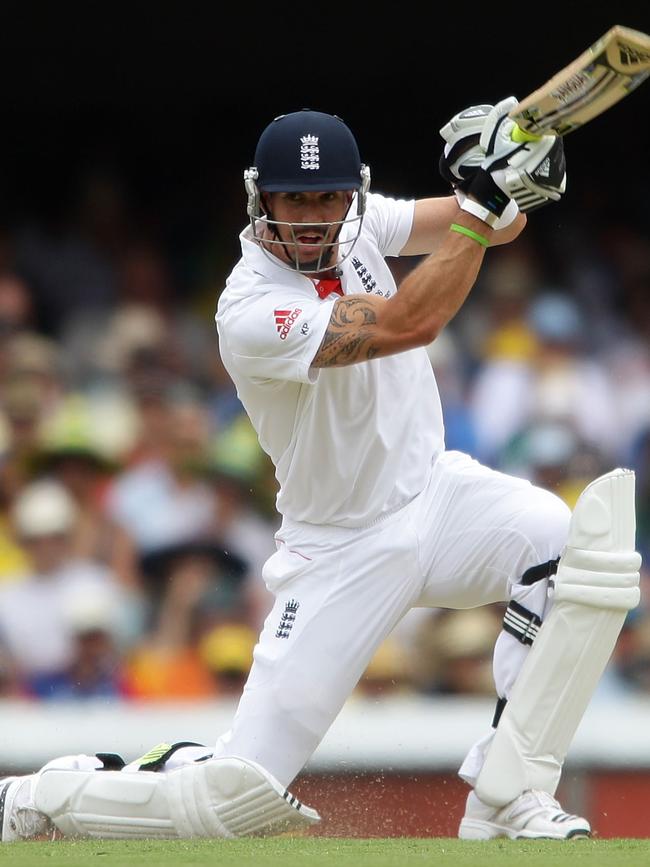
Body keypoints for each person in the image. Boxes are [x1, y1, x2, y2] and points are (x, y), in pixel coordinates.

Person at [1, 105, 640, 843]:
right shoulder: (250, 309)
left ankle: (509, 794)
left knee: (580, 552)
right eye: (294, 199)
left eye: (328, 197)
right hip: (339, 550)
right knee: (229, 804)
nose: (313, 217)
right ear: (260, 199)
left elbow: (494, 226)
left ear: (352, 194)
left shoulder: (364, 226)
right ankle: (40, 794)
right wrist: (483, 205)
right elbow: (409, 321)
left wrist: (513, 174)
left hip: (436, 496)